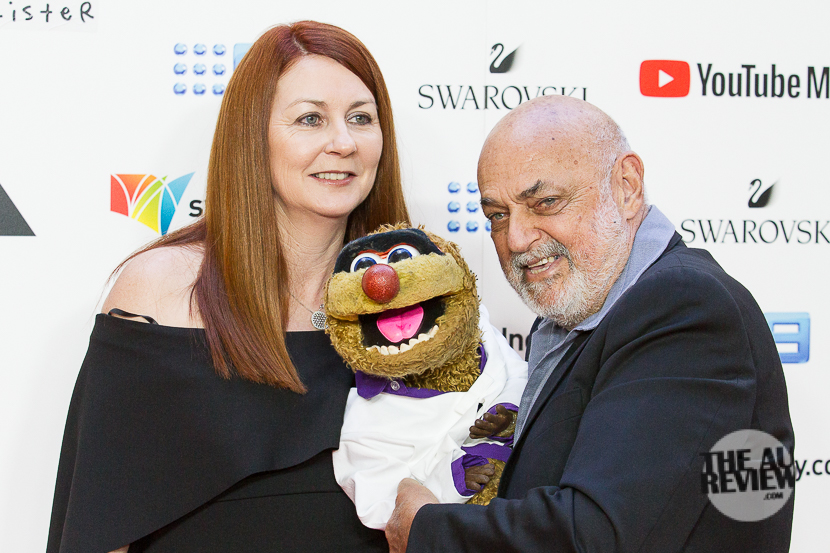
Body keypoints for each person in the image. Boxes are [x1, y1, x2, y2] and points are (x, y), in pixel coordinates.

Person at [47, 21, 409, 553]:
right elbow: (99, 530)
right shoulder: (161, 291)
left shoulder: (416, 304)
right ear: (251, 136)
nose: (343, 142)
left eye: (361, 118)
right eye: (310, 119)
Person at [386, 96, 795, 552]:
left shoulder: (684, 305)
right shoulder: (581, 317)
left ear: (627, 186)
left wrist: (426, 529)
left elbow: (598, 536)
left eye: (546, 202)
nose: (516, 238)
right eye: (498, 215)